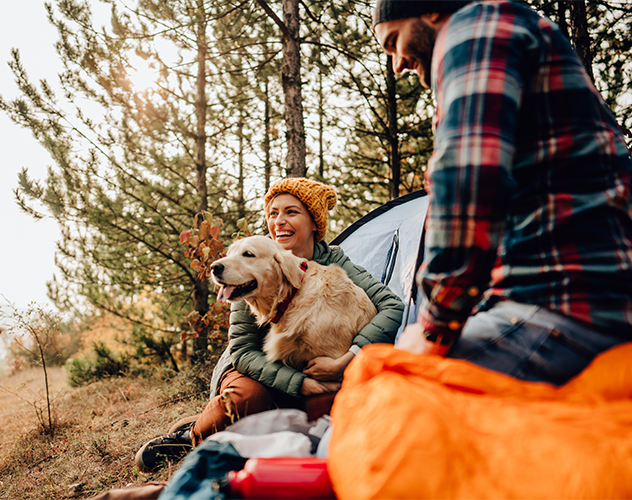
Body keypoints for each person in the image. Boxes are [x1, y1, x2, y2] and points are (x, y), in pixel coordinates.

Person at [373, 0, 632, 383]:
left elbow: (468, 176)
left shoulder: (473, 27)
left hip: (564, 306)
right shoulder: (512, 31)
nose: (397, 64)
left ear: (430, 11)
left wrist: (434, 327)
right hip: (586, 297)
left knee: (387, 386)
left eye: (394, 41)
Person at [135, 177, 405, 472]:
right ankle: (191, 438)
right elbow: (243, 351)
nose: (279, 221)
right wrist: (299, 384)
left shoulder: (336, 263)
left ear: (314, 222)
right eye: (273, 213)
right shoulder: (250, 265)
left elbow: (393, 307)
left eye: (291, 212)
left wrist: (347, 359)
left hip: (319, 370)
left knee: (332, 414)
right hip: (258, 370)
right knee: (247, 399)